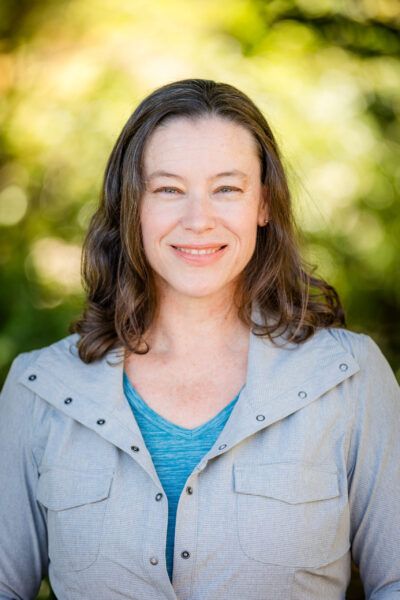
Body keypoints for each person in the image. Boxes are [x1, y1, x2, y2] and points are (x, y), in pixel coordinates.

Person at [0, 78, 399, 600]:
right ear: (132, 206)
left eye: (227, 189)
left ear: (264, 205)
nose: (198, 220)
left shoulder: (349, 378)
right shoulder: (41, 389)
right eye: (168, 189)